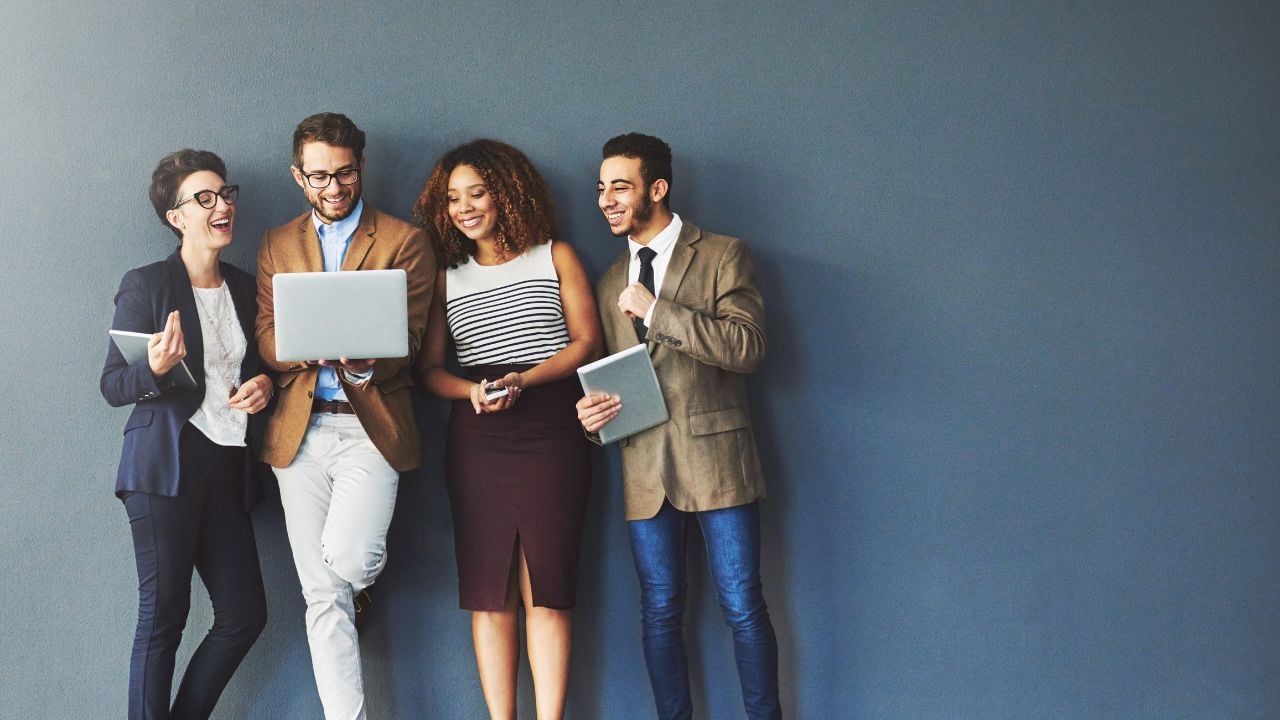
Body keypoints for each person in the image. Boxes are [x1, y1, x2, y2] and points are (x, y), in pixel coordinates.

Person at [575, 133, 781, 719]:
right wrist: (593, 421)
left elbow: (749, 347)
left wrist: (657, 312)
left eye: (620, 186)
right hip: (645, 469)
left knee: (742, 605)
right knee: (659, 610)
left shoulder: (722, 253)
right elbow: (612, 381)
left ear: (657, 189)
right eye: (601, 189)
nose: (606, 200)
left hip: (720, 463)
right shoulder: (607, 279)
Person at [412, 139, 601, 720]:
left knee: (547, 586)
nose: (464, 207)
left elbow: (587, 342)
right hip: (478, 435)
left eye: (478, 192)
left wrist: (527, 378)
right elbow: (429, 372)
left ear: (508, 193)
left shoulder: (556, 256)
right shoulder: (448, 275)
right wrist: (471, 391)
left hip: (553, 427)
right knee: (488, 592)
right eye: (453, 198)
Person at [255, 112, 434, 720]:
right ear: (298, 176)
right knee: (321, 596)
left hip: (370, 424)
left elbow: (408, 336)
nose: (334, 189)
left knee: (351, 562)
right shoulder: (277, 243)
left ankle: (362, 582)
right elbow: (267, 336)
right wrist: (316, 344)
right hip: (297, 432)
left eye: (346, 174)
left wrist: (359, 361)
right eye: (320, 177)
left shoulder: (403, 239)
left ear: (362, 167)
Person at [101, 149, 272, 719]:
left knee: (245, 614)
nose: (222, 206)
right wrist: (150, 368)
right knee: (163, 617)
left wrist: (264, 386)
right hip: (163, 466)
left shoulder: (248, 288)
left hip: (228, 465)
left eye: (225, 194)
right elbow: (111, 384)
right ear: (176, 216)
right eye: (205, 198)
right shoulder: (146, 284)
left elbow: (258, 367)